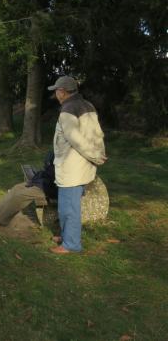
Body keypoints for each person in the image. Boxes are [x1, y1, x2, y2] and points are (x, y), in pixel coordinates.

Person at [47, 76, 106, 254]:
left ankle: (71, 244)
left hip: (72, 166)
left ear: (63, 92)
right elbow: (97, 133)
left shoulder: (68, 110)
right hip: (83, 165)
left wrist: (97, 155)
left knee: (68, 207)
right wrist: (98, 153)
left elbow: (77, 140)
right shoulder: (87, 105)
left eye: (57, 90)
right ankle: (67, 235)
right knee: (70, 204)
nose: (55, 94)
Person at [0, 152, 57, 228]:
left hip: (52, 187)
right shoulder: (59, 148)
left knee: (19, 196)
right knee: (17, 188)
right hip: (43, 181)